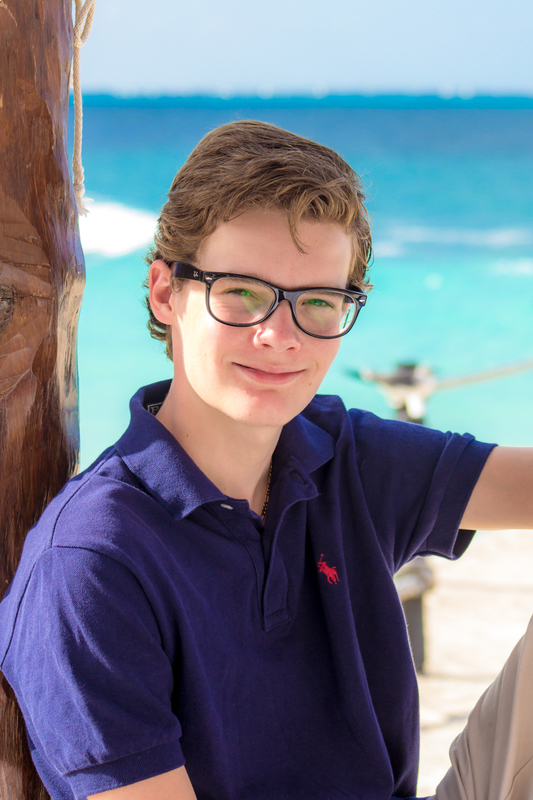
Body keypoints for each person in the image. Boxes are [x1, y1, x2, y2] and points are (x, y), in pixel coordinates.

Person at [0, 120, 532, 800]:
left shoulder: (343, 455)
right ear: (165, 292)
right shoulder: (90, 563)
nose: (280, 335)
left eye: (318, 302)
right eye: (243, 293)